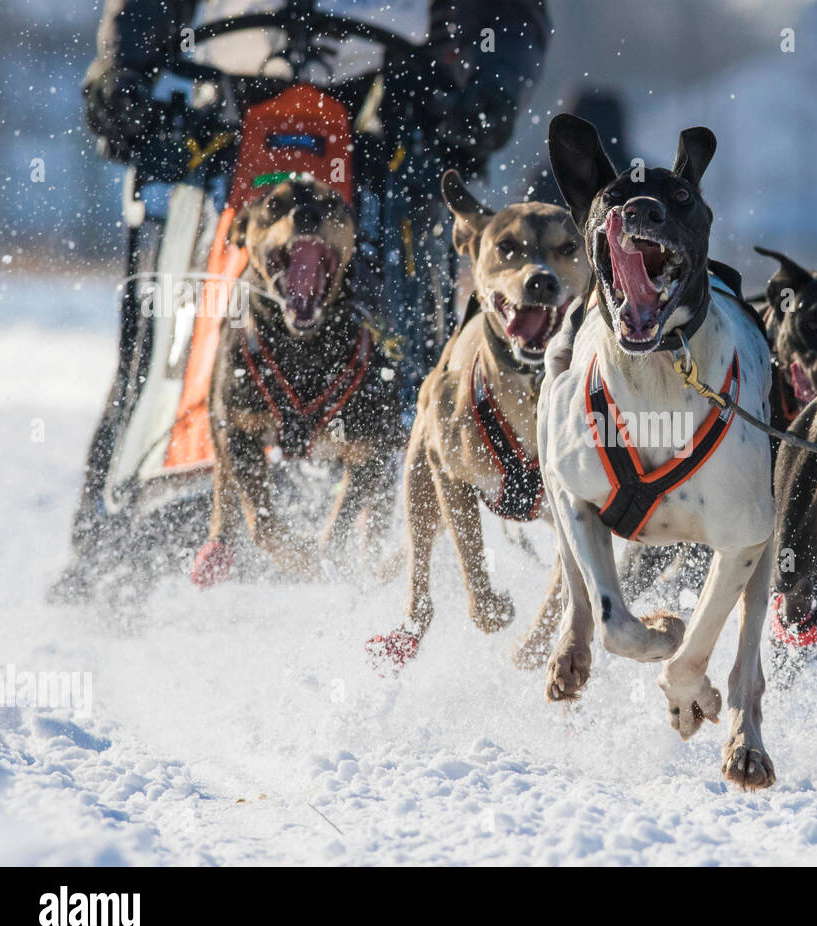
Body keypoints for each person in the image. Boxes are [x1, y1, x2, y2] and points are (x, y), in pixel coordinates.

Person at [53, 0, 549, 602]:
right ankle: (105, 541)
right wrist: (121, 65)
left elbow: (506, 16)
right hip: (235, 94)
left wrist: (494, 82)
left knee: (411, 303)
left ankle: (427, 514)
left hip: (390, 97)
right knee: (166, 319)